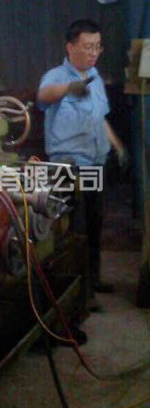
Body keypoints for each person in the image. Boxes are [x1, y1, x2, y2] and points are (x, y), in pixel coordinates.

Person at [37, 19, 126, 310]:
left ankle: (93, 280)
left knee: (94, 224)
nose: (93, 52)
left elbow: (100, 118)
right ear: (70, 47)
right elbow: (43, 96)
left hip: (95, 164)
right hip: (68, 167)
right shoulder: (56, 76)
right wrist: (68, 88)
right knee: (73, 230)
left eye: (97, 47)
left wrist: (117, 145)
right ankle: (79, 295)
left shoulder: (96, 78)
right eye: (87, 47)